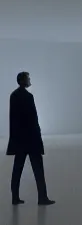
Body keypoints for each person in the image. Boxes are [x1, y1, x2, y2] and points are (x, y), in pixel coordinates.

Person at [9, 72, 53, 205]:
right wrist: (38, 139)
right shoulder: (28, 97)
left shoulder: (14, 96)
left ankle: (15, 197)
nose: (29, 80)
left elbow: (14, 120)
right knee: (38, 170)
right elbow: (33, 120)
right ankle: (42, 197)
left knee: (17, 170)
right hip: (31, 140)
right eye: (28, 78)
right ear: (23, 81)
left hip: (20, 141)